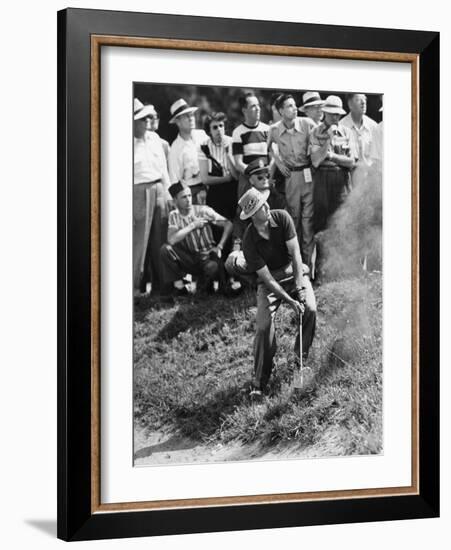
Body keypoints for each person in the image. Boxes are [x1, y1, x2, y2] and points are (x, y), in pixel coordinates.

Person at [230, 187, 316, 397]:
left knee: (311, 309)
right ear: (252, 216)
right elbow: (267, 279)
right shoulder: (249, 241)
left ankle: (300, 365)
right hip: (269, 282)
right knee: (263, 327)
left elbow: (296, 255)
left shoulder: (282, 217)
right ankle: (259, 382)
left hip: (292, 271)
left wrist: (299, 288)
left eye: (265, 203)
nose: (267, 207)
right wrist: (290, 301)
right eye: (261, 207)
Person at [268, 93, 316, 268]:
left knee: (308, 221)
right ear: (281, 111)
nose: (294, 109)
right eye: (289, 106)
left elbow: (320, 141)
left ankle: (310, 268)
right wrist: (278, 163)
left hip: (309, 175)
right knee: (293, 220)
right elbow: (269, 149)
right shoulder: (273, 130)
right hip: (290, 178)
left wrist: (315, 155)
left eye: (295, 105)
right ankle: (296, 267)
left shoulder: (307, 124)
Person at [160, 182, 233, 296]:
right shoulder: (174, 215)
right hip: (190, 258)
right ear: (175, 200)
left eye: (189, 195)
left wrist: (220, 246)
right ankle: (180, 288)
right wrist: (193, 225)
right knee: (165, 250)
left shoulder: (202, 210)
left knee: (212, 267)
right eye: (184, 197)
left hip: (207, 256)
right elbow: (172, 240)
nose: (188, 200)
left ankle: (206, 285)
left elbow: (228, 224)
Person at [133, 99, 171, 295]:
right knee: (139, 241)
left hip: (159, 189)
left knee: (161, 238)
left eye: (147, 117)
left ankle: (161, 286)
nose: (145, 122)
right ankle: (134, 288)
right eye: (140, 119)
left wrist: (168, 192)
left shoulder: (155, 138)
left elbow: (163, 169)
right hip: (137, 191)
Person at [310, 95, 358, 233]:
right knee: (321, 224)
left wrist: (331, 156)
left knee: (342, 222)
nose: (335, 118)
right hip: (321, 182)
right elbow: (315, 161)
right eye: (332, 114)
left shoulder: (347, 132)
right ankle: (321, 254)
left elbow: (351, 162)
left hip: (342, 181)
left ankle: (339, 254)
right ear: (324, 112)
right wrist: (328, 140)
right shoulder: (315, 132)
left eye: (337, 114)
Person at [232, 92, 270, 245]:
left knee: (268, 215)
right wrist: (254, 176)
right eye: (253, 106)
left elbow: (273, 157)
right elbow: (238, 163)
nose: (258, 109)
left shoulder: (268, 130)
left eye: (258, 105)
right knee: (246, 218)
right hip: (248, 181)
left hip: (267, 179)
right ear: (244, 110)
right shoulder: (238, 132)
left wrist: (266, 176)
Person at [199, 112, 238, 221]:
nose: (219, 130)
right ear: (209, 131)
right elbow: (205, 179)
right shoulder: (204, 146)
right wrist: (226, 178)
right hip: (215, 193)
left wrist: (228, 153)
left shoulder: (232, 142)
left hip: (233, 192)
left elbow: (236, 176)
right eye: (215, 127)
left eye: (221, 126)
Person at [168, 98, 208, 204]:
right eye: (186, 116)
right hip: (191, 194)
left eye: (191, 115)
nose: (191, 118)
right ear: (178, 122)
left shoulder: (202, 135)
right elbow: (175, 180)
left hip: (211, 187)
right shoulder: (175, 148)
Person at [340, 93, 378, 187]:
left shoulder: (374, 126)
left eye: (364, 100)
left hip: (370, 177)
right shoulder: (341, 126)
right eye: (358, 100)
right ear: (350, 104)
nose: (363, 103)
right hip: (349, 178)